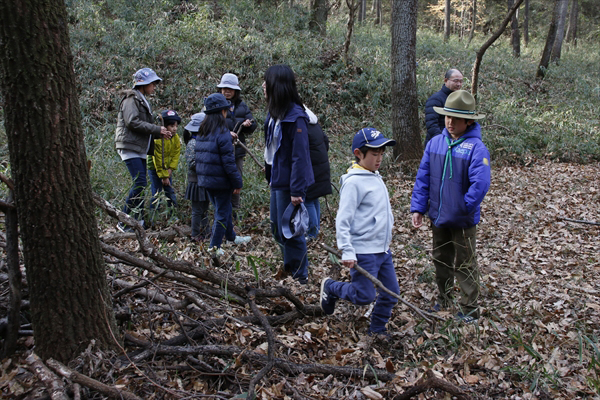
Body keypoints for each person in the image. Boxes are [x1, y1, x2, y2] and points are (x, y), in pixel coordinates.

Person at [410, 90, 490, 324]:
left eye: (456, 118)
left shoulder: (476, 148)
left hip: (463, 220)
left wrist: (463, 206)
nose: (450, 122)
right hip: (438, 216)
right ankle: (444, 298)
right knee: (441, 259)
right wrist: (419, 208)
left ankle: (469, 308)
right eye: (447, 117)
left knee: (465, 263)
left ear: (469, 121)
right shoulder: (435, 143)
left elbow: (481, 182)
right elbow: (423, 177)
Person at [320, 128, 400, 337]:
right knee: (363, 296)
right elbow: (343, 219)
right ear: (358, 153)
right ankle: (331, 287)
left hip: (382, 250)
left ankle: (377, 329)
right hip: (363, 250)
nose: (379, 158)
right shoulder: (354, 182)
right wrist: (347, 249)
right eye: (374, 154)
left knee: (391, 293)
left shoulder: (375, 176)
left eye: (382, 153)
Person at [264, 64, 314, 284]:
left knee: (291, 231)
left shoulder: (296, 117)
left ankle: (299, 275)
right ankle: (290, 266)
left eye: (268, 82)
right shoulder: (275, 114)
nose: (264, 86)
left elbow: (300, 157)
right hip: (277, 180)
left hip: (289, 184)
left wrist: (297, 190)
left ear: (278, 86)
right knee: (277, 229)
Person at [115, 67, 172, 232]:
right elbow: (132, 121)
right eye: (152, 83)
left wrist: (159, 133)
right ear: (143, 83)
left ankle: (137, 221)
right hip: (129, 146)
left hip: (138, 147)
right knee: (140, 182)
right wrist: (156, 129)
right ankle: (124, 221)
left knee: (141, 183)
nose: (154, 86)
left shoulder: (140, 99)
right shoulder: (131, 100)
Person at [195, 93, 251, 255]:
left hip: (206, 181)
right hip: (220, 182)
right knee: (222, 212)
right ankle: (214, 246)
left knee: (223, 208)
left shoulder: (203, 132)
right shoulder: (222, 134)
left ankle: (231, 237)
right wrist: (237, 182)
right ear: (222, 113)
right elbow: (229, 163)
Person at [217, 73, 258, 219]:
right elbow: (208, 127)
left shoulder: (241, 106)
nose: (227, 91)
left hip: (237, 150)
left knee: (236, 180)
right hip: (220, 151)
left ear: (236, 91)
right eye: (224, 88)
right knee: (221, 180)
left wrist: (248, 124)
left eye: (230, 89)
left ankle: (235, 212)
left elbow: (253, 124)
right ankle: (221, 212)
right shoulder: (215, 104)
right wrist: (225, 133)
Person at [148, 109, 181, 223]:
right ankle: (153, 218)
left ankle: (173, 216)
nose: (174, 129)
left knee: (170, 192)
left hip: (167, 169)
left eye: (176, 126)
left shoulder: (175, 138)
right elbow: (157, 158)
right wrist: (163, 176)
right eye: (171, 126)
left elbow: (176, 154)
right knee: (156, 193)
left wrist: (170, 169)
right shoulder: (158, 139)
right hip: (155, 169)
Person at [304, 107, 331, 240]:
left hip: (312, 168)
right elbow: (326, 142)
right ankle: (315, 229)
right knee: (314, 198)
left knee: (308, 198)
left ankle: (312, 232)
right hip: (321, 166)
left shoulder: (304, 127)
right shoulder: (315, 124)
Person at [183, 112, 211, 242]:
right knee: (197, 210)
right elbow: (192, 163)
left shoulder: (203, 141)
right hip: (196, 182)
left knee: (205, 209)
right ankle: (195, 234)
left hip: (205, 181)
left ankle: (206, 232)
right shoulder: (192, 143)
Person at [424, 68, 463, 147]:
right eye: (455, 81)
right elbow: (431, 124)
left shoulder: (460, 99)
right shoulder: (436, 99)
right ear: (446, 80)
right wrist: (442, 141)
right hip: (437, 144)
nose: (459, 84)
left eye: (461, 81)